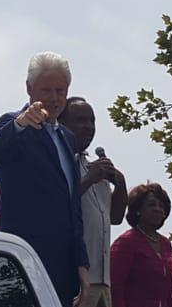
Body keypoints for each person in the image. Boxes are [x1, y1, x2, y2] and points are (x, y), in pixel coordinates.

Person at [0, 51, 88, 307]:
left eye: (60, 91)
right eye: (46, 90)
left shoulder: (67, 138)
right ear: (29, 89)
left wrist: (82, 265)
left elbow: (73, 208)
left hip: (64, 271)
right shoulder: (13, 125)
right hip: (25, 262)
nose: (54, 99)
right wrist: (21, 123)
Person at [58, 97, 128, 307]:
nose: (88, 126)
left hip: (103, 281)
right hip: (75, 278)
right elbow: (56, 206)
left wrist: (121, 185)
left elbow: (114, 218)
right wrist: (88, 179)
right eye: (80, 120)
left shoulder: (95, 168)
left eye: (92, 121)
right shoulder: (59, 163)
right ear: (62, 124)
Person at [110, 183, 172, 307]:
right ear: (138, 210)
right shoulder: (126, 242)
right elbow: (115, 289)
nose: (157, 209)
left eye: (161, 206)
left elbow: (170, 292)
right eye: (151, 205)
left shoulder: (165, 244)